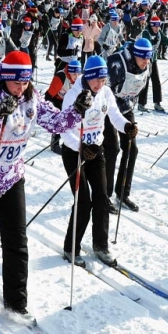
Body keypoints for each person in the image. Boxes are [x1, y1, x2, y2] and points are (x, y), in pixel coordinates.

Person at [0, 51, 91, 317]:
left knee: (17, 241)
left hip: (11, 177)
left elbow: (55, 122)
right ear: (5, 78)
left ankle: (16, 303)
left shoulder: (31, 98)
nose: (21, 88)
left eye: (25, 83)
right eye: (16, 83)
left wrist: (77, 110)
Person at [60, 55, 136, 268]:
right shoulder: (73, 96)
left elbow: (114, 115)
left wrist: (127, 127)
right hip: (75, 153)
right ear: (87, 77)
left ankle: (101, 245)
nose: (99, 84)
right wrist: (80, 148)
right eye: (96, 80)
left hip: (97, 150)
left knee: (102, 197)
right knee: (84, 201)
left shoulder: (105, 92)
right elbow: (64, 131)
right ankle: (71, 247)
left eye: (103, 80)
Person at [104, 38, 152, 212]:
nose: (146, 61)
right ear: (135, 55)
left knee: (131, 148)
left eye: (149, 57)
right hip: (107, 108)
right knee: (112, 149)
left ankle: (123, 192)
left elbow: (143, 85)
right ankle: (105, 194)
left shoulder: (147, 65)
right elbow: (103, 89)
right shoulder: (117, 62)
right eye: (143, 58)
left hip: (125, 106)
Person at [44, 58, 83, 154]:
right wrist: (51, 109)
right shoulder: (61, 77)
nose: (76, 77)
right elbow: (48, 95)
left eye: (78, 74)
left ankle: (72, 142)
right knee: (60, 120)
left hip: (71, 100)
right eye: (74, 74)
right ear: (69, 72)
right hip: (58, 100)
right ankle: (55, 143)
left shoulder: (81, 79)